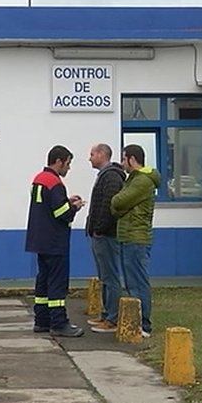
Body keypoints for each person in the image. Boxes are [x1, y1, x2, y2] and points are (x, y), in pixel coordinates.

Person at [25, 145, 86, 337]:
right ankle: (59, 323)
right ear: (58, 162)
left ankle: (41, 320)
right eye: (67, 164)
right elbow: (62, 214)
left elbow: (48, 207)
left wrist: (65, 201)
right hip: (55, 241)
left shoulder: (39, 180)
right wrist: (74, 207)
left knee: (43, 281)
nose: (68, 168)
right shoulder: (55, 183)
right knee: (57, 283)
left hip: (40, 240)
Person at [111, 144, 160, 338]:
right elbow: (116, 206)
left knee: (138, 282)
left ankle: (144, 324)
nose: (122, 163)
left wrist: (121, 206)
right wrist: (121, 207)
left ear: (132, 159)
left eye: (124, 159)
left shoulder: (143, 181)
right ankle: (135, 322)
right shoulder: (133, 180)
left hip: (136, 238)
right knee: (131, 282)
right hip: (126, 235)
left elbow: (117, 202)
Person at [84, 143, 126, 334]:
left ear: (101, 154)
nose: (90, 158)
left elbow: (109, 206)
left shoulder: (111, 177)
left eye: (92, 154)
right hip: (99, 234)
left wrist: (99, 229)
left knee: (110, 276)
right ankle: (106, 313)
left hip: (106, 235)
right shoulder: (104, 176)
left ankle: (112, 318)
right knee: (104, 276)